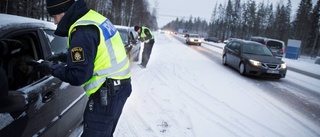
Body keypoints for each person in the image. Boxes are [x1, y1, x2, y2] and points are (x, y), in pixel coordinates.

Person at [38, 0, 132, 136]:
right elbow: (93, 51)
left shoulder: (82, 30)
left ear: (64, 12)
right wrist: (63, 57)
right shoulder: (93, 18)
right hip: (118, 88)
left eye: (54, 17)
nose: (55, 22)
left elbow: (78, 75)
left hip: (106, 94)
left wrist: (51, 68)